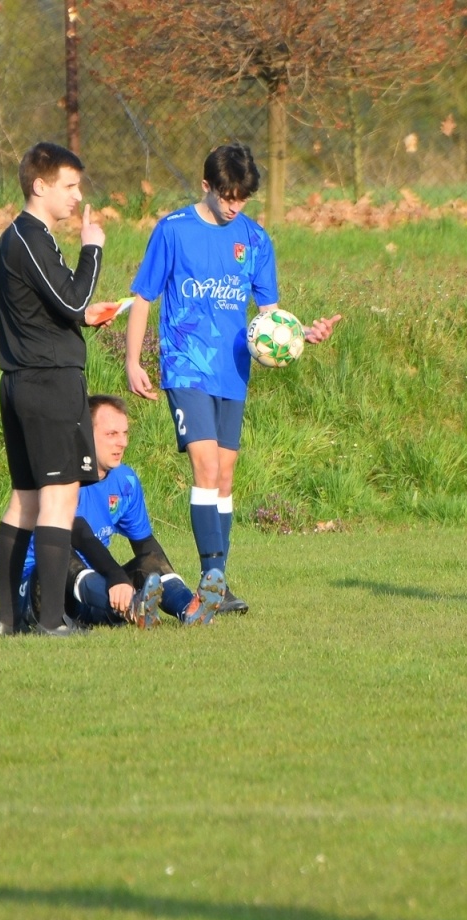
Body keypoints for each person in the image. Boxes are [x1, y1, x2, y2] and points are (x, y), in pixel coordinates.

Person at [123, 143, 340, 615]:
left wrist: (303, 332)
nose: (233, 206)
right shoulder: (173, 231)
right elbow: (142, 297)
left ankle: (215, 586)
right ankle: (213, 578)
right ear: (207, 187)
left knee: (223, 476)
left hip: (232, 369)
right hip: (185, 366)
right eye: (227, 196)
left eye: (242, 198)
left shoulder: (256, 239)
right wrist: (133, 360)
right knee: (204, 466)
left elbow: (269, 318)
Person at [0, 142, 115, 638]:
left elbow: (62, 308)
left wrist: (83, 316)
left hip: (25, 381)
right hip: (47, 384)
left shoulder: (23, 239)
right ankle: (49, 622)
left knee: (25, 499)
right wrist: (93, 247)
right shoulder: (29, 237)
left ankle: (7, 621)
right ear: (39, 186)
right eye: (70, 186)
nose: (77, 195)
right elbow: (75, 298)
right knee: (58, 498)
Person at [17, 394, 223, 629]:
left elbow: (145, 543)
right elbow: (79, 533)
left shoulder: (125, 480)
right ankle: (130, 605)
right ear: (84, 434)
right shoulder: (62, 477)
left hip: (93, 593)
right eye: (111, 434)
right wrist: (116, 577)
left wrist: (156, 577)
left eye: (125, 433)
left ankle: (190, 609)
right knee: (59, 554)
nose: (122, 442)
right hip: (41, 593)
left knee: (149, 561)